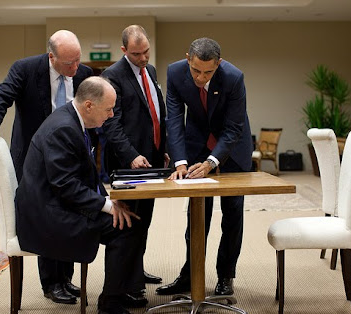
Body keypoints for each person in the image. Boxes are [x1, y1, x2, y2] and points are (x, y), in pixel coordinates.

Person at [0, 30, 93, 304]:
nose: (74, 68)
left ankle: (66, 278)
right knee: (48, 215)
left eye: (77, 61)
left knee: (71, 213)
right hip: (33, 157)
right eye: (68, 63)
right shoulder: (26, 69)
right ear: (52, 57)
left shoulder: (83, 73)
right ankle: (51, 283)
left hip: (71, 156)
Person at [15, 76, 144, 314]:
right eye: (108, 109)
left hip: (57, 203)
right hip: (47, 215)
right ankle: (111, 302)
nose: (112, 115)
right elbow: (65, 185)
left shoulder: (72, 119)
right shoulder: (63, 128)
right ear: (89, 106)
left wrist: (107, 200)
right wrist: (106, 206)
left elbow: (80, 177)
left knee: (128, 218)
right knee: (127, 227)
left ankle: (121, 290)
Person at [156, 37, 253, 296]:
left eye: (208, 72)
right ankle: (190, 274)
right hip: (197, 144)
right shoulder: (176, 72)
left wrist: (213, 161)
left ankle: (225, 277)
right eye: (196, 70)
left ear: (218, 64)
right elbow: (174, 118)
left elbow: (233, 128)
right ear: (188, 58)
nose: (200, 77)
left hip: (231, 150)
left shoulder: (234, 78)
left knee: (233, 214)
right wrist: (180, 161)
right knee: (197, 214)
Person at [101, 25, 169, 308]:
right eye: (137, 54)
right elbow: (112, 124)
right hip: (129, 164)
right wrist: (131, 156)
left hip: (151, 160)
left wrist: (161, 150)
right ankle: (126, 286)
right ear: (124, 51)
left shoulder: (150, 71)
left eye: (146, 52)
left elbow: (156, 113)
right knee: (129, 223)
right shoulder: (111, 76)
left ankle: (135, 274)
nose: (143, 58)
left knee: (144, 222)